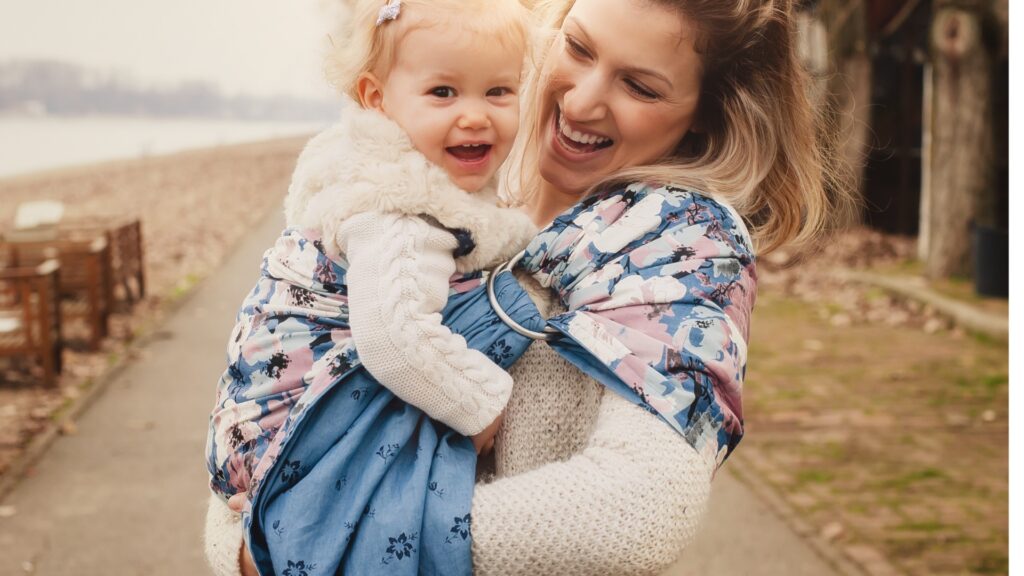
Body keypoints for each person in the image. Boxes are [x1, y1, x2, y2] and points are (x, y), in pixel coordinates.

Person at [206, 0, 852, 574]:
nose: (581, 101)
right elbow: (266, 404)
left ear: (702, 118)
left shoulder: (682, 241)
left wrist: (316, 545)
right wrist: (247, 540)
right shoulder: (457, 175)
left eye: (639, 86)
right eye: (578, 47)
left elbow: (639, 513)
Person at [204, 0, 541, 573]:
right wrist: (484, 407)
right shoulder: (401, 213)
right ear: (377, 97)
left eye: (498, 92)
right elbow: (393, 338)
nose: (475, 115)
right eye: (443, 93)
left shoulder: (362, 166)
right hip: (290, 427)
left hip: (253, 413)